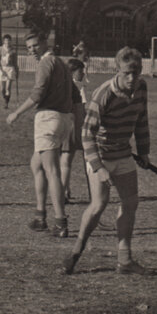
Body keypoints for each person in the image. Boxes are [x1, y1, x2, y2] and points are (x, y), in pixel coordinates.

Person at [62, 46, 152, 276]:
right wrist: (99, 168)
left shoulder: (142, 88)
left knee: (130, 202)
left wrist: (144, 152)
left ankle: (125, 260)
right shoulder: (104, 94)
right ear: (117, 70)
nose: (131, 78)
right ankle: (76, 251)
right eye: (126, 73)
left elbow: (142, 120)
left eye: (136, 72)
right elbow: (86, 135)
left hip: (123, 153)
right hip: (100, 154)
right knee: (99, 205)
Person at [6, 32, 74, 237]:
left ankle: (60, 222)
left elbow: (37, 94)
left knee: (52, 171)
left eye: (35, 45)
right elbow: (75, 95)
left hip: (48, 119)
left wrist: (16, 113)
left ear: (45, 43)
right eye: (28, 48)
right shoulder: (62, 63)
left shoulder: (46, 63)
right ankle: (40, 217)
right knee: (36, 164)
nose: (32, 50)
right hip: (64, 119)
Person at [60, 57, 88, 204]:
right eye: (80, 71)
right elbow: (81, 109)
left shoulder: (62, 85)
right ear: (72, 72)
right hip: (72, 125)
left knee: (64, 160)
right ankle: (62, 194)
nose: (83, 74)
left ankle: (66, 190)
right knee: (66, 161)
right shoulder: (76, 87)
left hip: (63, 125)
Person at [0, 34, 19, 109]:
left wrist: (17, 71)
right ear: (4, 41)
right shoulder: (0, 49)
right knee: (2, 89)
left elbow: (15, 63)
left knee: (8, 88)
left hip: (10, 69)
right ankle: (5, 98)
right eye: (6, 40)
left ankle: (6, 103)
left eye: (9, 40)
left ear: (11, 41)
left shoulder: (13, 50)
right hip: (2, 69)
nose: (7, 42)